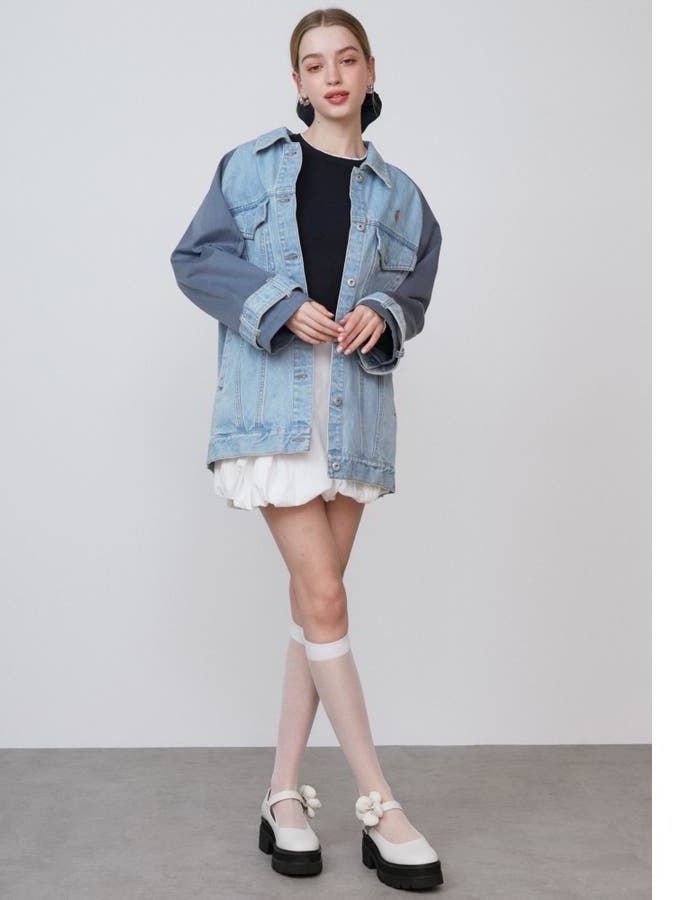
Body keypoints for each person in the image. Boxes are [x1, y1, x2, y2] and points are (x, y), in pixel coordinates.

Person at [170, 8, 444, 891]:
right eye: (314, 64)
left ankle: (282, 796)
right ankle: (380, 804)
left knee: (312, 608)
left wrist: (385, 315)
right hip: (270, 410)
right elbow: (196, 259)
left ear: (369, 72)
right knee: (325, 597)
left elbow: (415, 292)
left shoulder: (403, 196)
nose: (331, 76)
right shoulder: (248, 167)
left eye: (346, 59)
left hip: (354, 416)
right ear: (297, 82)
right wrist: (280, 306)